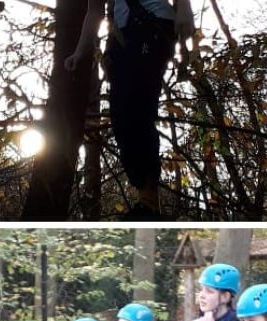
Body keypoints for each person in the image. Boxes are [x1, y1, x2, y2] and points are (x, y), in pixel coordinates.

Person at [66, 0, 195, 220]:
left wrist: (184, 9)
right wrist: (79, 52)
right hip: (122, 37)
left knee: (138, 108)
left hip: (153, 24)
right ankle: (146, 200)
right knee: (121, 116)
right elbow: (94, 12)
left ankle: (149, 203)